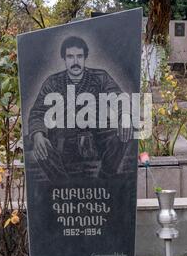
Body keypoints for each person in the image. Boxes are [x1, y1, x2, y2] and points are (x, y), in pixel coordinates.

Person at [28, 36, 131, 181]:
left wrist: (124, 115)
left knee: (125, 129)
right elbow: (37, 112)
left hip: (96, 135)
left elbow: (119, 98)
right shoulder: (52, 82)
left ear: (85, 58)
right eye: (70, 57)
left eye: (79, 56)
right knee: (40, 144)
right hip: (64, 139)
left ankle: (105, 178)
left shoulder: (100, 77)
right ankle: (64, 186)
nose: (75, 62)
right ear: (64, 58)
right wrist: (37, 133)